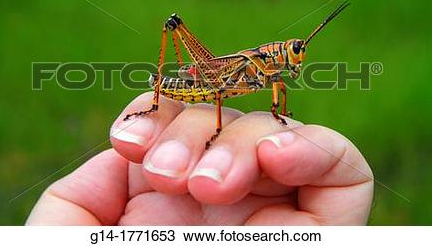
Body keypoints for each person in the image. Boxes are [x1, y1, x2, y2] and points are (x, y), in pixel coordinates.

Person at [26, 92, 374, 225]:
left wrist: (277, 114)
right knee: (216, 99)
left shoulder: (275, 79)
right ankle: (155, 101)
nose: (298, 57)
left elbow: (277, 90)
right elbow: (221, 92)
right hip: (207, 81)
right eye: (296, 50)